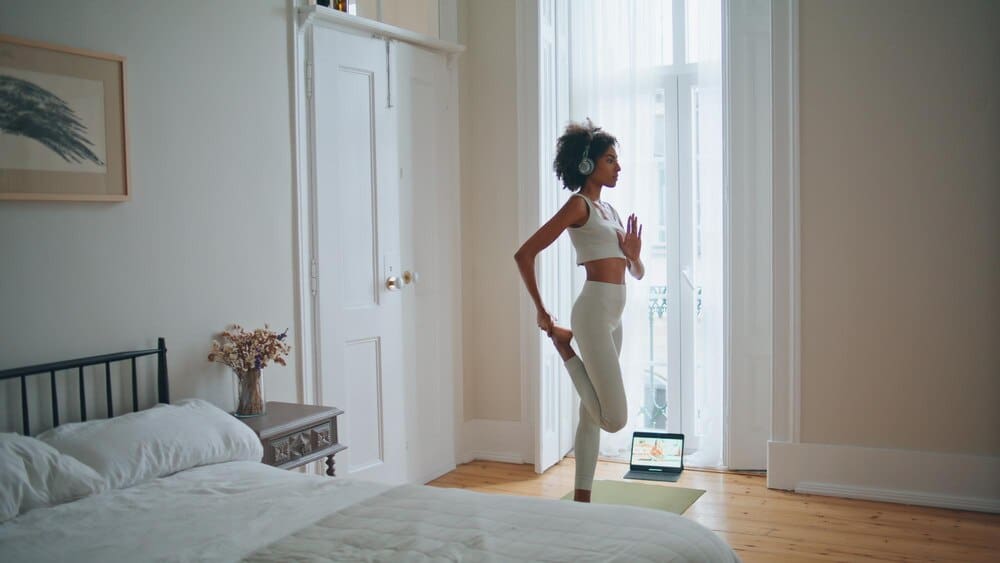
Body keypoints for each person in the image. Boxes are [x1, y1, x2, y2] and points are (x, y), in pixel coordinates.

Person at [514, 119, 644, 502]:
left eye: (617, 160)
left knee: (591, 413)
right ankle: (564, 345)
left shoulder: (612, 211)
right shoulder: (578, 206)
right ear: (587, 165)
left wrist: (633, 257)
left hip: (614, 315)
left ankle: (582, 499)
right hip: (591, 314)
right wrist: (542, 310)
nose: (618, 167)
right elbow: (524, 254)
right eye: (610, 159)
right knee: (614, 419)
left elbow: (635, 272)